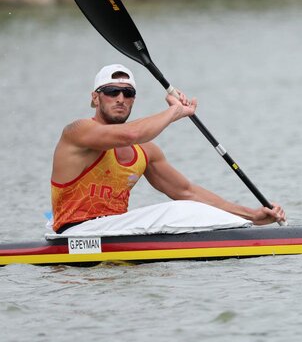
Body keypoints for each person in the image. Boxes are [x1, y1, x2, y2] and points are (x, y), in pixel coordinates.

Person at [50, 64, 285, 233]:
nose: (120, 98)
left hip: (114, 233)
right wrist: (175, 111)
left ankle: (240, 228)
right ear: (95, 98)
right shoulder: (78, 132)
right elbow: (129, 134)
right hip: (75, 232)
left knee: (186, 206)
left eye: (128, 93)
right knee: (178, 212)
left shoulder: (146, 152)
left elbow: (188, 192)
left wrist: (251, 216)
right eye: (111, 92)